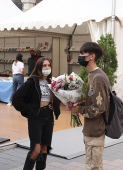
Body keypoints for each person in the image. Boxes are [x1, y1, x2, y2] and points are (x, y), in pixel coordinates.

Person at [12, 57, 61, 170]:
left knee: (45, 148)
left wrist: (54, 106)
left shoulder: (51, 82)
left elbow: (56, 97)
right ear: (39, 67)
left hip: (48, 116)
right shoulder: (32, 81)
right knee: (35, 149)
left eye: (48, 65)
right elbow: (16, 98)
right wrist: (28, 111)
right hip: (36, 116)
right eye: (44, 65)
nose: (47, 67)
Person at [69, 42, 110, 170]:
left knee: (94, 167)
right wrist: (79, 104)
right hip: (91, 130)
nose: (80, 57)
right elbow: (92, 102)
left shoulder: (98, 78)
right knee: (91, 165)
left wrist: (79, 109)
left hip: (95, 130)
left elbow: (98, 108)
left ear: (92, 56)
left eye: (82, 54)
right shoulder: (92, 75)